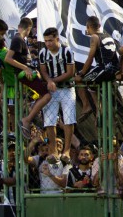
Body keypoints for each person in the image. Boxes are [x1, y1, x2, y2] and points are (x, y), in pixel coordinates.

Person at [38, 27, 76, 159]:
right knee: (49, 120)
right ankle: (53, 150)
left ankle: (67, 150)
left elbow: (70, 72)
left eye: (50, 40)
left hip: (66, 88)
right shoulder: (43, 52)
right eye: (46, 41)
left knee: (69, 119)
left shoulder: (67, 51)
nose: (48, 43)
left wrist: (52, 80)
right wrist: (49, 81)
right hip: (51, 90)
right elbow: (43, 70)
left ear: (57, 39)